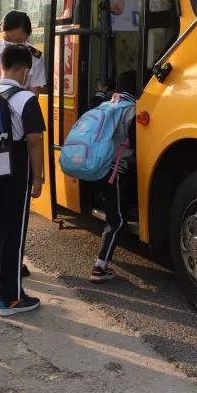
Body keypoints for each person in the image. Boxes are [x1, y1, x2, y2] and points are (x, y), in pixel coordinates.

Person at [0, 45, 45, 315]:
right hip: (14, 171)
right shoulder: (25, 98)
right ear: (25, 70)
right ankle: (11, 297)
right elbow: (34, 140)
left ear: (0, 67)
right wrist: (38, 178)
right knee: (12, 233)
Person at [88, 72, 138, 284]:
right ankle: (99, 268)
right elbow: (137, 144)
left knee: (113, 214)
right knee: (117, 221)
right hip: (117, 172)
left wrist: (100, 91)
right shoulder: (133, 110)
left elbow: (89, 113)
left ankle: (102, 262)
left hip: (99, 169)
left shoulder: (106, 105)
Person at [0, 10, 46, 95]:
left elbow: (33, 93)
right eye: (8, 39)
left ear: (27, 36)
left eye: (19, 40)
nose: (12, 44)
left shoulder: (35, 58)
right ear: (1, 30)